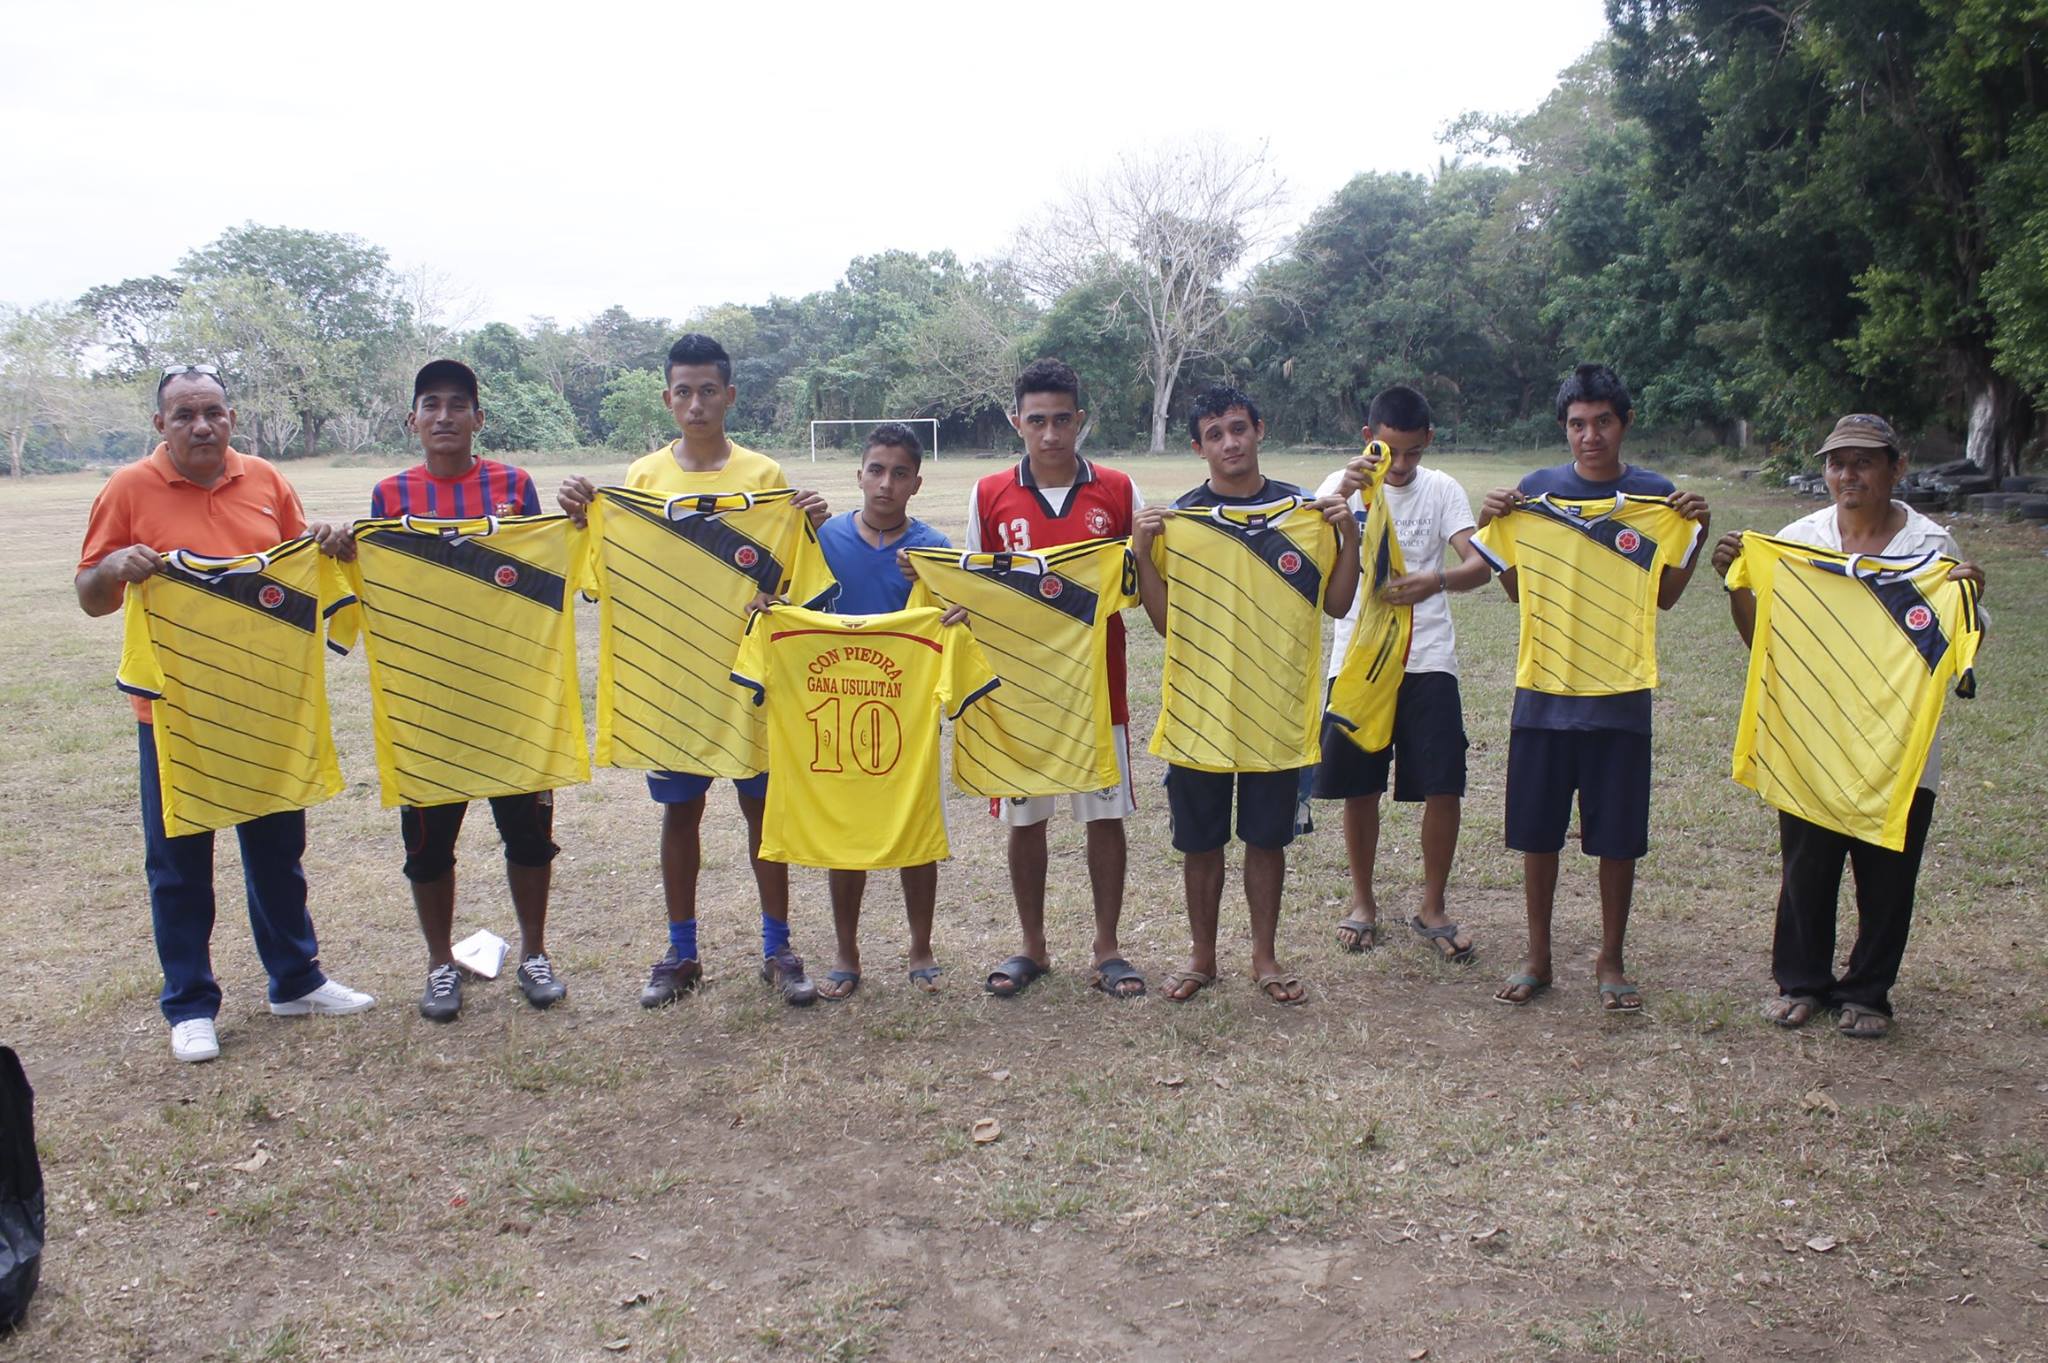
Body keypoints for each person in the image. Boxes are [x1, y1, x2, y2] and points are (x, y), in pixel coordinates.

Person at [75, 365, 374, 1063]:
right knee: (179, 860)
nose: (201, 425)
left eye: (213, 411)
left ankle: (295, 979)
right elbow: (90, 594)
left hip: (266, 699)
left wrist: (332, 545)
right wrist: (116, 564)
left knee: (277, 851)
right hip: (174, 708)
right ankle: (189, 1004)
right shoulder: (126, 488)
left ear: (231, 417)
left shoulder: (266, 479)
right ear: (161, 425)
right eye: (184, 415)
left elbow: (302, 561)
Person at [558, 335, 829, 1007]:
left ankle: (778, 947)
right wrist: (583, 514)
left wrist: (806, 531)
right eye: (684, 390)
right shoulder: (642, 479)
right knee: (680, 813)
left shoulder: (766, 478)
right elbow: (608, 568)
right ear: (667, 398)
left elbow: (794, 576)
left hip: (748, 676)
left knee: (760, 809)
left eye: (709, 389)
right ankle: (682, 952)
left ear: (730, 395)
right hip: (672, 678)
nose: (697, 402)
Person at [1710, 413, 1986, 1039]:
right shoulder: (1798, 540)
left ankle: (1868, 992)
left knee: (1887, 873)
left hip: (1898, 744)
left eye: (1864, 461)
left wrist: (1969, 597)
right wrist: (1737, 585)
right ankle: (1801, 983)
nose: (1848, 474)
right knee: (1807, 868)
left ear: (1897, 467)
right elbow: (1765, 641)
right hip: (1814, 736)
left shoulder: (1932, 550)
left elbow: (1956, 654)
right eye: (1838, 462)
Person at [1475, 364, 1709, 1013]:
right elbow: (1515, 585)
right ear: (1563, 428)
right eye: (1577, 423)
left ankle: (1611, 957)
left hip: (1621, 691)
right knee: (1537, 833)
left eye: (1602, 420)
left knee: (1617, 836)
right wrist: (1493, 518)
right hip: (1543, 689)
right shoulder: (1534, 492)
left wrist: (1697, 534)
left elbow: (1665, 596)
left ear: (1624, 422)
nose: (1590, 435)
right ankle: (1537, 956)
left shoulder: (1656, 498)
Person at [1133, 385, 1364, 1004]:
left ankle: (1265, 957)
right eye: (1215, 434)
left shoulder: (1304, 513)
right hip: (1198, 713)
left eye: (1238, 428)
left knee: (1267, 841)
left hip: (1277, 713)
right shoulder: (1180, 520)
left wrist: (1349, 541)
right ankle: (1202, 958)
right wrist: (1142, 554)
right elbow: (1163, 623)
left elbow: (1339, 603)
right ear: (1197, 446)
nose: (1229, 443)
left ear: (1260, 429)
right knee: (1200, 843)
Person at [367, 359, 566, 1022]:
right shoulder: (389, 496)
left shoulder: (515, 485)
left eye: (459, 404)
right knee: (427, 843)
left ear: (479, 418)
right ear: (413, 420)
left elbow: (538, 578)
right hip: (429, 701)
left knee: (529, 836)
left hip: (510, 694)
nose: (445, 416)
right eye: (432, 404)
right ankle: (439, 963)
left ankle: (535, 953)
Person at [967, 359, 1148, 1000]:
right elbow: (974, 586)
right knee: (1026, 821)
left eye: (1062, 419)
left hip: (1099, 686)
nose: (1050, 434)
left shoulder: (1120, 491)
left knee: (1104, 817)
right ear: (1016, 421)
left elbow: (1143, 585)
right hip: (1019, 691)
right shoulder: (989, 494)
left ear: (1081, 420)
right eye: (1036, 420)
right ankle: (1032, 946)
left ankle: (1107, 948)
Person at [1313, 385, 1492, 961]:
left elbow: (1477, 565)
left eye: (1414, 452)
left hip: (1428, 658)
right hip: (1359, 662)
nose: (1404, 465)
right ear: (1370, 440)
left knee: (1443, 784)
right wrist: (1342, 497)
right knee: (1359, 786)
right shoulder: (1339, 488)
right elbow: (1317, 568)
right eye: (1393, 452)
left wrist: (1433, 581)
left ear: (1428, 442)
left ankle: (1432, 906)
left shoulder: (1441, 490)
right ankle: (1362, 903)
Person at [811, 423, 952, 997]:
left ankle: (921, 947)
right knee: (845, 832)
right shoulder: (822, 538)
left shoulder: (935, 550)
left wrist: (946, 599)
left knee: (914, 829)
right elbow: (793, 604)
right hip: (838, 712)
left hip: (908, 719)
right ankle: (846, 953)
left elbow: (960, 620)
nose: (885, 484)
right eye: (876, 470)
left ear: (916, 483)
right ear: (859, 474)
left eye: (899, 474)